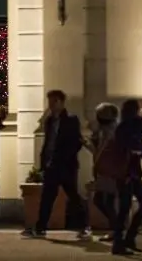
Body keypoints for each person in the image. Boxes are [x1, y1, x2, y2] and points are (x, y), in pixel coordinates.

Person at [23, 89, 91, 240]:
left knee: (73, 197)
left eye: (55, 101)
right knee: (47, 197)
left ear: (61, 102)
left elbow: (76, 142)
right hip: (51, 166)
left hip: (66, 166)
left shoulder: (71, 120)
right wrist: (44, 161)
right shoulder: (49, 121)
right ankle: (40, 228)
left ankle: (85, 226)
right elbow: (48, 143)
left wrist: (65, 157)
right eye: (50, 102)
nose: (51, 105)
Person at [112, 99, 142, 255]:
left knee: (134, 206)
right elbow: (133, 148)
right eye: (139, 109)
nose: (141, 111)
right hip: (127, 173)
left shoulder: (129, 127)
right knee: (128, 207)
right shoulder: (128, 128)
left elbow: (140, 148)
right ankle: (121, 241)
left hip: (131, 173)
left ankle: (126, 239)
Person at [89, 102, 120, 243]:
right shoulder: (106, 131)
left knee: (103, 201)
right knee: (105, 201)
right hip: (107, 171)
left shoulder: (110, 132)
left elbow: (103, 152)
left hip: (108, 172)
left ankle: (116, 230)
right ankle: (116, 229)